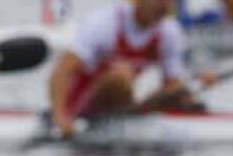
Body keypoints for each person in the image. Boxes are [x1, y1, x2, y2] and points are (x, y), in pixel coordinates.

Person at [48, 0, 219, 139]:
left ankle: (134, 117)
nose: (165, 5)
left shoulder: (169, 31)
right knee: (121, 76)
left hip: (125, 106)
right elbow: (61, 72)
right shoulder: (104, 22)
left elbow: (173, 84)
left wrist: (196, 82)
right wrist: (60, 116)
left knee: (181, 92)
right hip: (81, 107)